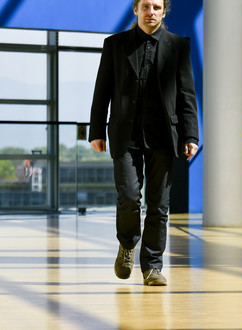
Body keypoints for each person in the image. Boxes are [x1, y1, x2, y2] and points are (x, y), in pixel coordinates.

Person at [88, 0, 199, 286]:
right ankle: (127, 246)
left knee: (158, 204)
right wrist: (96, 130)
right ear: (135, 10)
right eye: (146, 6)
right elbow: (102, 89)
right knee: (128, 196)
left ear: (164, 12)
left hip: (164, 135)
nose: (151, 12)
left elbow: (187, 94)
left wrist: (191, 135)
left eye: (157, 7)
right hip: (125, 135)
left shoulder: (179, 45)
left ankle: (152, 266)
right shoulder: (115, 44)